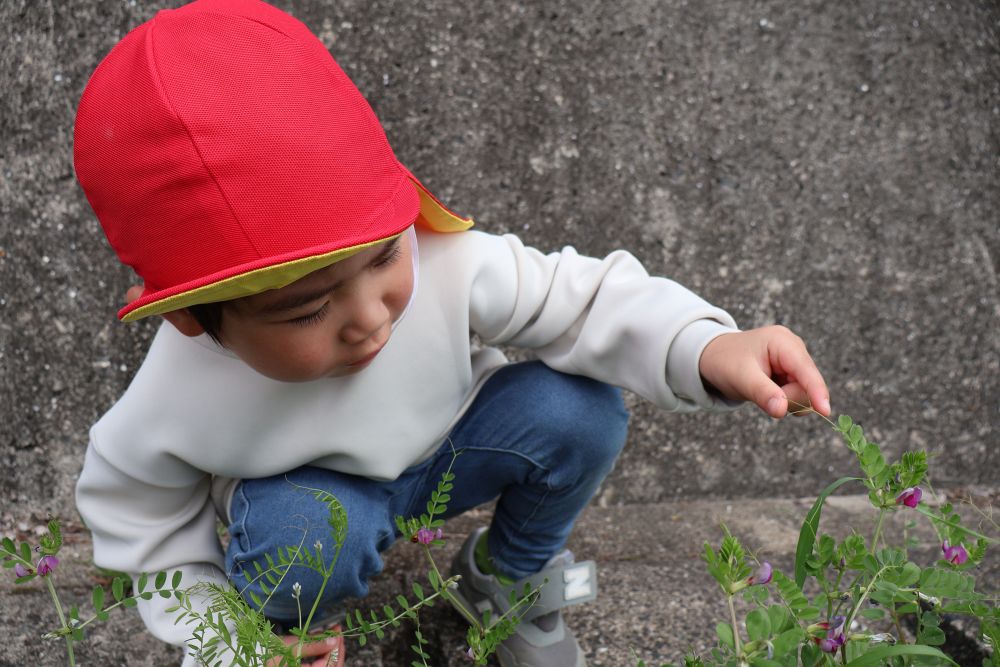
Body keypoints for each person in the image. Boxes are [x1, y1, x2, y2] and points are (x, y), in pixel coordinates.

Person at [72, 1, 831, 665]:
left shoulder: (448, 264)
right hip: (306, 505)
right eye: (307, 310)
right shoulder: (178, 393)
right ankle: (286, 634)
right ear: (195, 317)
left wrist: (704, 346)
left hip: (447, 453)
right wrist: (214, 631)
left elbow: (584, 297)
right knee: (304, 536)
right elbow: (138, 516)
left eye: (381, 254)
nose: (370, 315)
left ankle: (505, 577)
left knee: (580, 410)